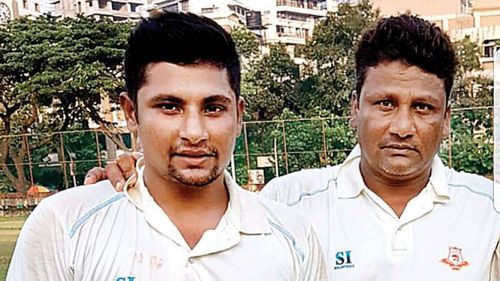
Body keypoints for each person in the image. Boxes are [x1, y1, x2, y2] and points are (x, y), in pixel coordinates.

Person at [85, 15, 500, 280]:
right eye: (385, 103)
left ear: (446, 120)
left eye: (423, 107)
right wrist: (140, 172)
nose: (403, 126)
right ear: (355, 108)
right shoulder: (287, 203)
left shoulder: (490, 209)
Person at [7, 11, 327, 281]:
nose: (194, 132)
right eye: (169, 106)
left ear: (238, 115)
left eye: (213, 107)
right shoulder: (65, 223)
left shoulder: (292, 235)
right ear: (131, 113)